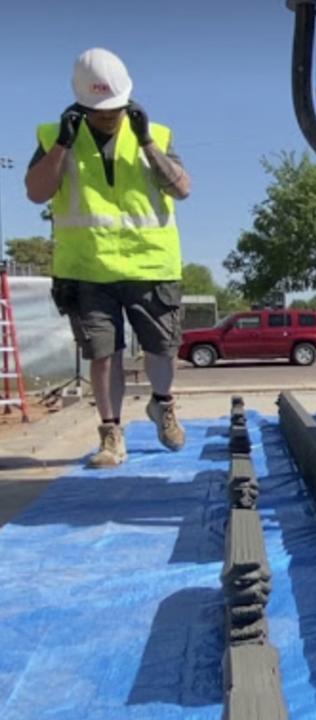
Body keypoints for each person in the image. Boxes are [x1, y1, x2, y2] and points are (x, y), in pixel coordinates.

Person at [25, 48, 192, 467]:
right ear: (80, 103)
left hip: (151, 266)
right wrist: (62, 143)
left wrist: (149, 140)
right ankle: (111, 434)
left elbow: (182, 188)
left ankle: (162, 404)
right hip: (87, 268)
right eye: (99, 110)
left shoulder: (159, 135)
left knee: (161, 350)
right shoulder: (53, 137)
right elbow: (37, 192)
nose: (107, 116)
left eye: (114, 108)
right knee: (103, 354)